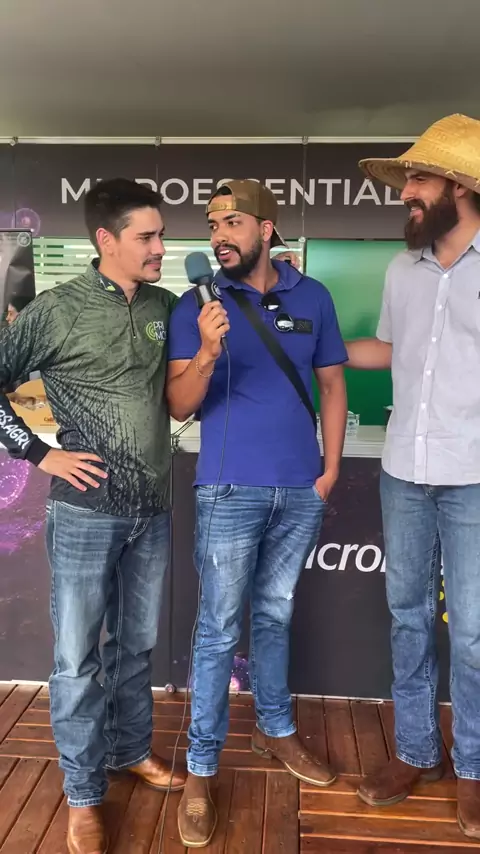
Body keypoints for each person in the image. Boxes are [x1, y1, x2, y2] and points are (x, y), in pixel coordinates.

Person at [0, 178, 186, 854]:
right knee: (77, 660)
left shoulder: (166, 306)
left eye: (162, 235)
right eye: (147, 237)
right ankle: (83, 794)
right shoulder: (57, 309)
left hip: (152, 512)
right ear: (107, 240)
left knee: (134, 647)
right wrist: (41, 455)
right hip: (84, 515)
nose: (160, 248)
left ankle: (129, 750)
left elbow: (185, 392)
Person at [167, 179, 348, 847]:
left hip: (300, 489)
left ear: (266, 230)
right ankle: (201, 769)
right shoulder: (195, 304)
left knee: (274, 616)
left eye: (233, 221)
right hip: (227, 490)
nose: (219, 234)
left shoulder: (313, 296)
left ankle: (276, 730)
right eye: (212, 223)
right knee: (218, 630)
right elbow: (179, 404)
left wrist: (328, 471)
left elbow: (332, 382)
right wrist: (208, 351)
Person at [346, 114, 480, 839]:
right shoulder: (403, 270)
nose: (406, 193)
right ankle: (419, 754)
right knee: (407, 617)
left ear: (458, 187)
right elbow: (387, 350)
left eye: (419, 179)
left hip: (474, 478)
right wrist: (313, 343)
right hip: (404, 471)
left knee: (476, 634)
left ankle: (475, 768)